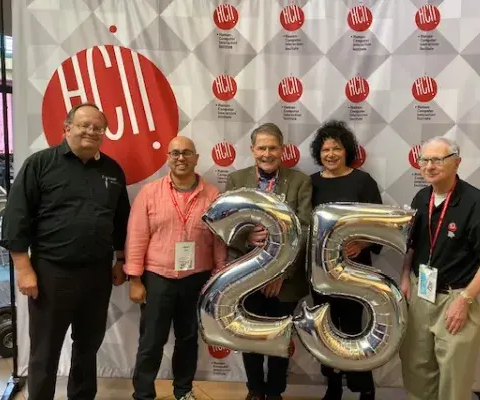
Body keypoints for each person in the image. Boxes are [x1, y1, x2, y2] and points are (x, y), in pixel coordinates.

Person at [0, 103, 131, 400]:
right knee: (44, 350)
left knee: (88, 347)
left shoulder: (112, 170)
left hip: (97, 274)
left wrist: (120, 260)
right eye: (84, 125)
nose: (91, 131)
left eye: (98, 127)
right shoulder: (40, 164)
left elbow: (121, 220)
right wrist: (23, 267)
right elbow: (16, 217)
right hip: (50, 274)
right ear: (67, 127)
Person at [399, 136, 480, 400]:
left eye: (437, 159)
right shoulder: (421, 197)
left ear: (457, 163)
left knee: (453, 379)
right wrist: (404, 277)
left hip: (455, 300)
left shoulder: (477, 204)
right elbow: (411, 245)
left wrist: (465, 300)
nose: (429, 166)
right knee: (417, 369)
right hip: (420, 293)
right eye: (424, 160)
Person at [125, 136, 227, 400]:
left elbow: (219, 239)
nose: (181, 158)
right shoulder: (149, 193)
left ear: (196, 158)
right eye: (175, 153)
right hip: (157, 278)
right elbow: (136, 237)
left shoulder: (213, 195)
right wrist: (135, 279)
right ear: (168, 158)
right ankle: (143, 394)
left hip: (197, 279)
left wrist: (218, 276)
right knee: (151, 342)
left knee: (188, 339)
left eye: (186, 153)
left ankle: (183, 391)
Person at [225, 123, 313, 400]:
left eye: (272, 147)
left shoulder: (300, 182)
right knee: (248, 338)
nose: (267, 153)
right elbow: (226, 224)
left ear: (283, 150)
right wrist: (247, 237)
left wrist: (281, 274)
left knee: (279, 339)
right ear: (252, 150)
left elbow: (306, 230)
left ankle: (274, 392)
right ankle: (255, 390)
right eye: (261, 147)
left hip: (283, 281)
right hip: (247, 278)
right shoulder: (236, 180)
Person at [308, 120, 382, 400]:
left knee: (354, 328)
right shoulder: (311, 183)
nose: (331, 154)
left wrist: (362, 243)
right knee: (326, 327)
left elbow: (378, 224)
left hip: (355, 270)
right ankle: (333, 386)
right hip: (321, 270)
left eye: (336, 148)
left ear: (346, 151)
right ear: (319, 153)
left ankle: (365, 387)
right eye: (325, 149)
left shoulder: (363, 181)